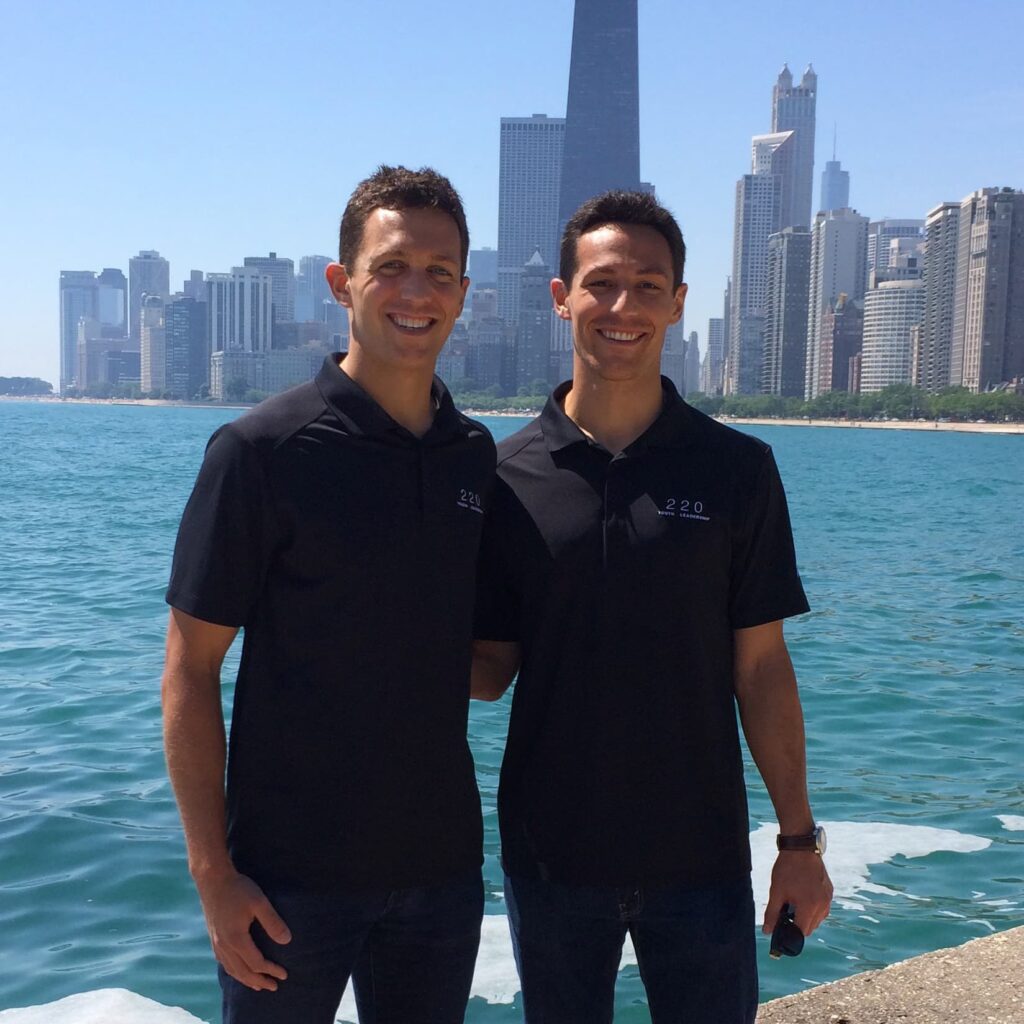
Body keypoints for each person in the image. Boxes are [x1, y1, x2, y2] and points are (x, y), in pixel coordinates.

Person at [471, 190, 833, 1023]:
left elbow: (763, 666)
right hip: (549, 857)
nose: (622, 306)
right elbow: (490, 666)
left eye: (647, 285)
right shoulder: (504, 475)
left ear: (678, 302)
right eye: (600, 284)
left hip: (700, 858)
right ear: (562, 299)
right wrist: (360, 634)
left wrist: (797, 842)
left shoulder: (738, 468)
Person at [162, 165, 494, 1024]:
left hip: (441, 874)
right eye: (391, 267)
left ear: (464, 292)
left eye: (440, 272)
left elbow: (484, 656)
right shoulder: (259, 452)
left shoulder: (473, 457)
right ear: (342, 284)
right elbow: (189, 671)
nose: (415, 291)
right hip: (284, 885)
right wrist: (213, 877)